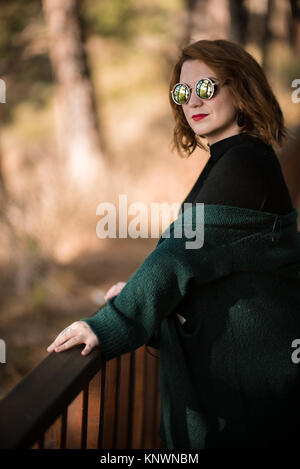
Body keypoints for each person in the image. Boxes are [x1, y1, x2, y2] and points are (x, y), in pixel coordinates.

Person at [46, 39, 300, 449]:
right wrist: (139, 292)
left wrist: (110, 324)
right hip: (249, 385)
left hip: (255, 401)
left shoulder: (246, 164)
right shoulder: (231, 158)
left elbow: (178, 255)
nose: (192, 101)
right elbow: (208, 258)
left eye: (207, 88)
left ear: (239, 86)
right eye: (182, 92)